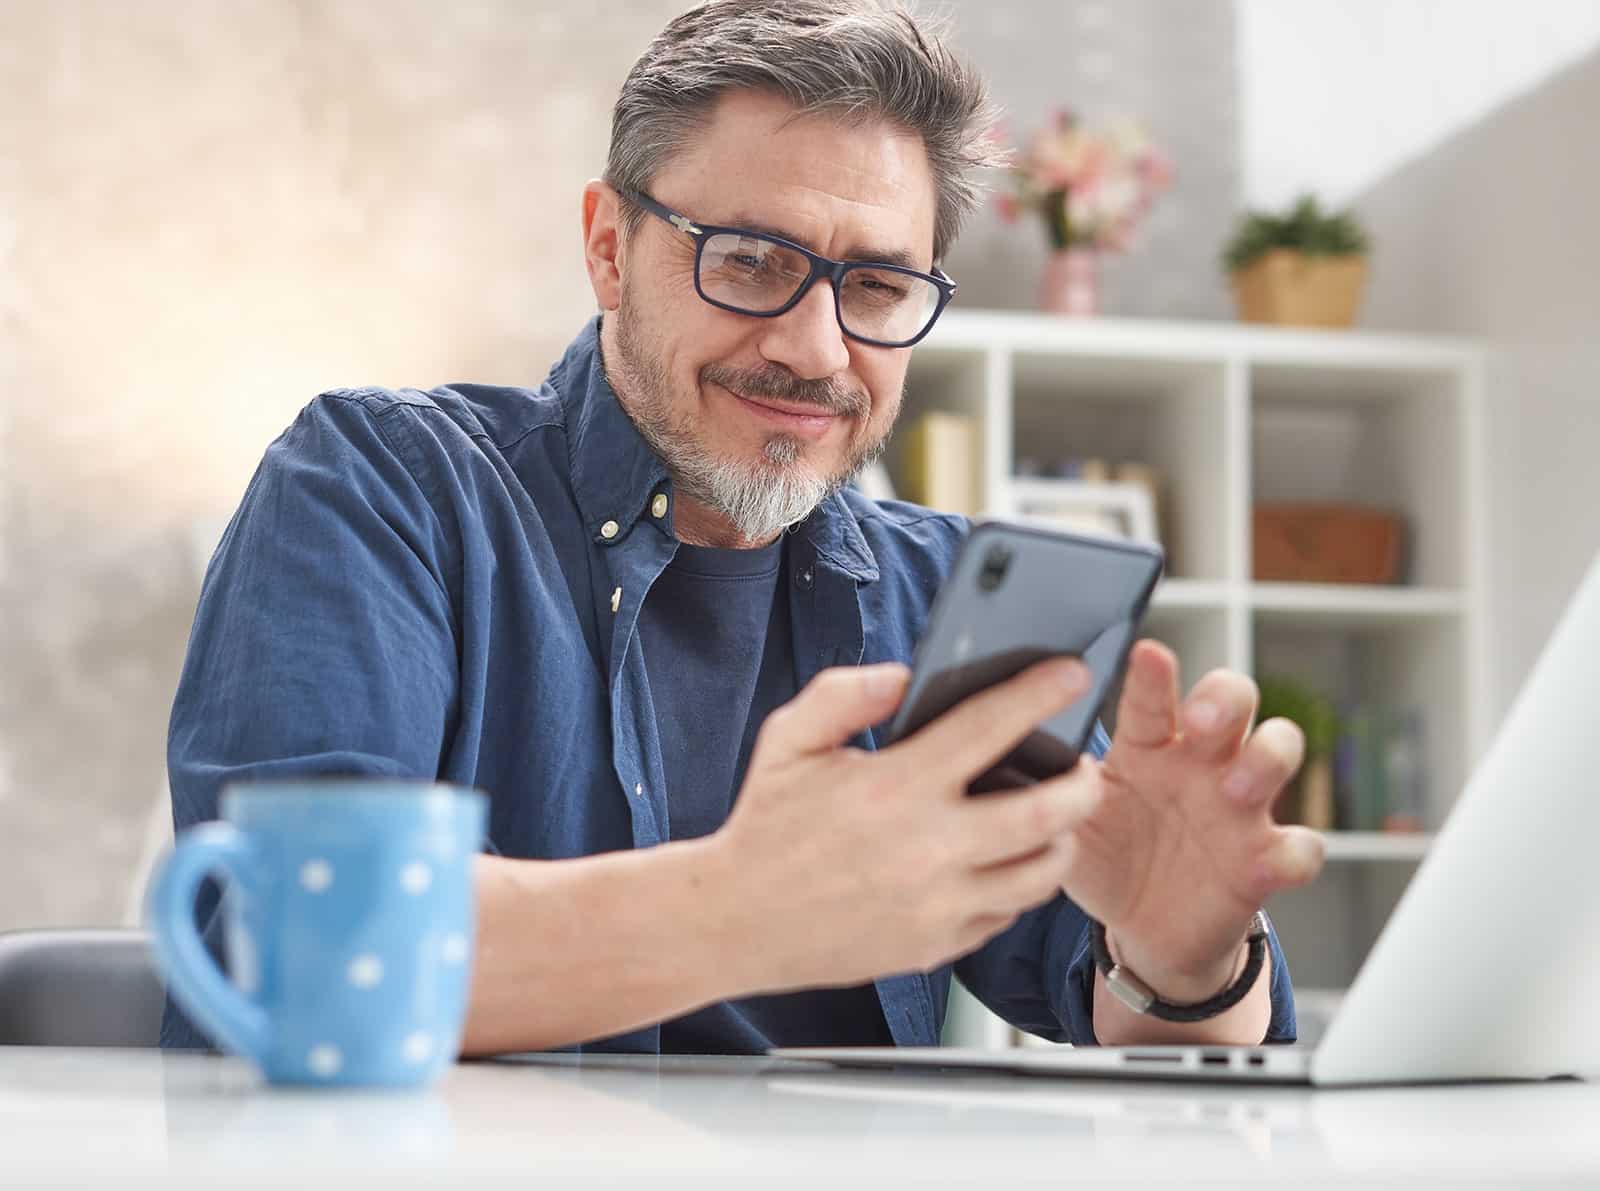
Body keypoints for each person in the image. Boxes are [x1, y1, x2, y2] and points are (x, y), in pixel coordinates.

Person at [163, 0, 1324, 1056]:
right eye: (752, 261)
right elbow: (304, 952)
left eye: (875, 289)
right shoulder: (384, 488)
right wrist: (750, 907)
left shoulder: (938, 592)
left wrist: (1181, 957)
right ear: (609, 248)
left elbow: (1124, 1013)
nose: (816, 350)